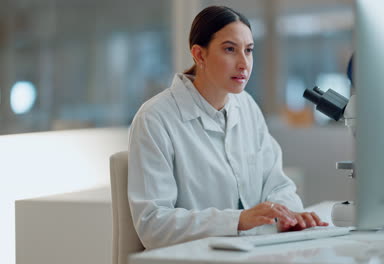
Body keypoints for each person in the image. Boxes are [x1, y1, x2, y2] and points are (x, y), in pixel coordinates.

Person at [128, 5, 328, 250]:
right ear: (199, 55)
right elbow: (153, 225)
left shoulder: (247, 107)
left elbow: (278, 185)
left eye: (249, 50)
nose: (244, 63)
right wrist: (238, 220)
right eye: (230, 49)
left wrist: (287, 215)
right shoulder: (155, 119)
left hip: (253, 252)